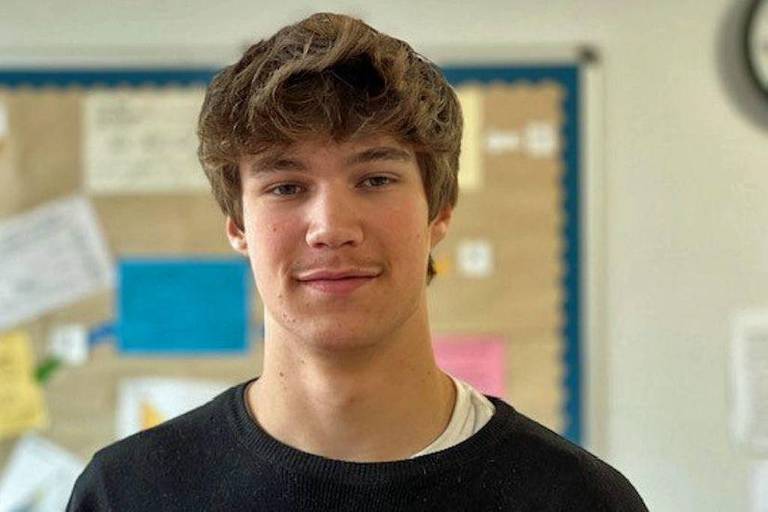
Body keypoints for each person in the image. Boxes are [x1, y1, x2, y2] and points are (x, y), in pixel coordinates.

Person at [68, 12, 647, 511]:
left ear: (439, 211)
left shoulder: (576, 499)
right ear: (238, 226)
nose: (332, 228)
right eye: (287, 187)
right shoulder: (129, 493)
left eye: (375, 178)